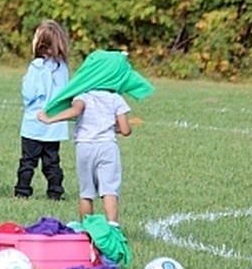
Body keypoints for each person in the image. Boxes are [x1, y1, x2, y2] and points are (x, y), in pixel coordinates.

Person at [38, 50, 154, 225]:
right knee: (109, 191)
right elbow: (125, 129)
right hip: (107, 147)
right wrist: (111, 128)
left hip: (84, 147)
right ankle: (112, 227)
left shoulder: (83, 96)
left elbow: (76, 111)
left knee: (86, 193)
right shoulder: (116, 99)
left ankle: (88, 228)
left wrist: (49, 119)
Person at [14, 20, 70, 200]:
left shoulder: (36, 66)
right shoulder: (62, 68)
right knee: (52, 162)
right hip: (55, 126)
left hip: (34, 124)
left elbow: (29, 94)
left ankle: (23, 191)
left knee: (28, 161)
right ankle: (55, 191)